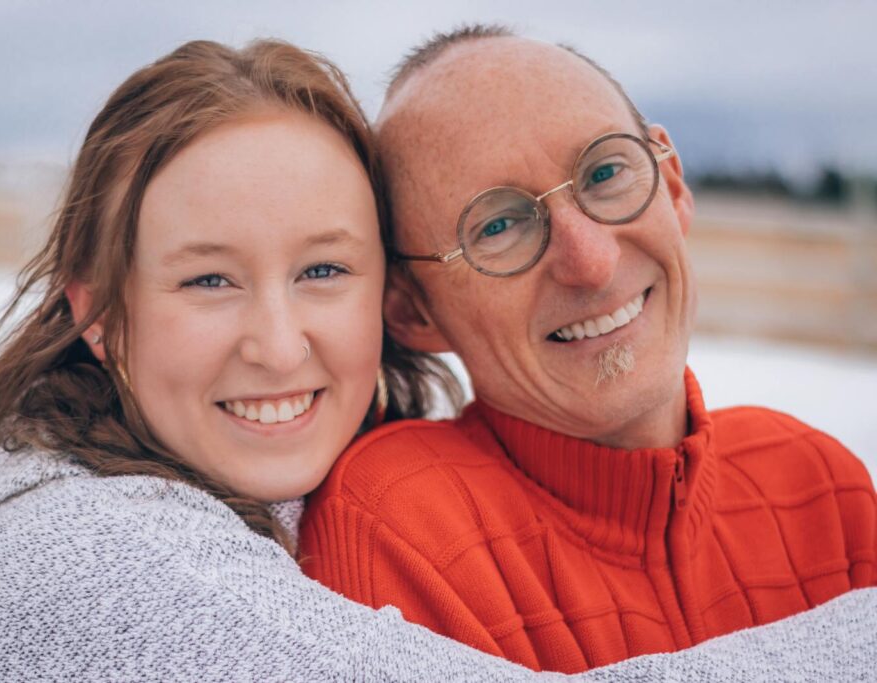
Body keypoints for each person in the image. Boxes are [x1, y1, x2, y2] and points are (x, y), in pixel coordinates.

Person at [0, 35, 874, 683]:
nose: (276, 341)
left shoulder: (817, 476)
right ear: (97, 311)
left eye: (321, 269)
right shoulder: (88, 561)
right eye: (207, 279)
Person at [300, 26, 877, 674]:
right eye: (499, 225)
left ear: (674, 184)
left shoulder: (824, 486)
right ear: (411, 308)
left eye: (605, 172)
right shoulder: (401, 528)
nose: (592, 261)